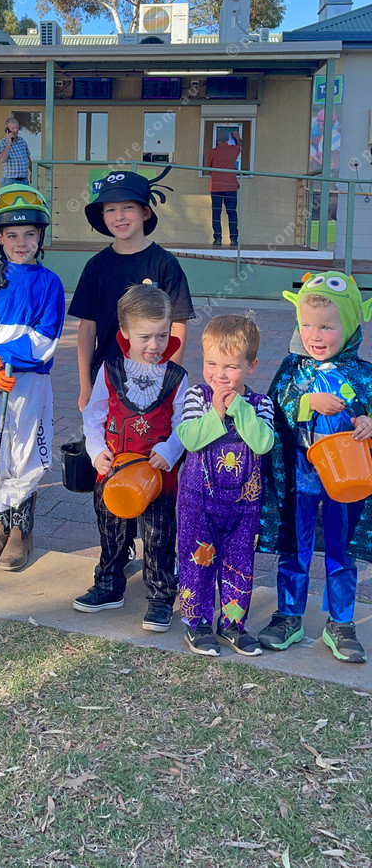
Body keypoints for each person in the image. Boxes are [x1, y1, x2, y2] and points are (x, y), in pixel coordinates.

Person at [68, 169, 194, 570]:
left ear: (145, 212)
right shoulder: (97, 266)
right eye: (110, 210)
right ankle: (118, 551)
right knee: (112, 465)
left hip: (155, 388)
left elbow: (178, 325)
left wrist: (166, 382)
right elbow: (86, 328)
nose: (119, 217)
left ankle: (159, 556)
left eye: (127, 208)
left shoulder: (164, 264)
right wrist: (85, 383)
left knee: (154, 470)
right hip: (111, 389)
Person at [258, 272, 372, 663]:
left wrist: (368, 422)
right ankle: (288, 615)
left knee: (342, 548)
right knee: (295, 545)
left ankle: (340, 621)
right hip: (301, 477)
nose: (315, 336)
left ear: (350, 325)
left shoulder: (364, 375)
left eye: (326, 327)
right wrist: (308, 403)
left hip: (349, 479)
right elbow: (274, 409)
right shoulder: (293, 370)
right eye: (306, 325)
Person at [75, 284, 188, 627]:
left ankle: (161, 595)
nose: (154, 345)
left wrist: (170, 450)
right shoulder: (109, 371)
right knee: (111, 531)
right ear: (124, 332)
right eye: (145, 337)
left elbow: (185, 422)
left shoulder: (176, 377)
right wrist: (97, 451)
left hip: (157, 476)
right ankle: (109, 585)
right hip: (113, 470)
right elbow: (94, 415)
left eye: (162, 335)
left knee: (158, 535)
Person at [0, 184, 65, 570]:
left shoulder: (50, 283)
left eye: (29, 234)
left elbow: (45, 339)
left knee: (24, 452)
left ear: (40, 237)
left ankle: (21, 533)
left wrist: (3, 357)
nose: (21, 242)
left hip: (29, 383)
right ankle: (0, 526)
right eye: (11, 235)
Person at [176, 314, 274, 657]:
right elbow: (189, 439)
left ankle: (232, 623)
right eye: (211, 364)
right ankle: (198, 622)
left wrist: (240, 410)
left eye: (231, 367)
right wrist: (216, 414)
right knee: (197, 563)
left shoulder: (261, 405)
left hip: (243, 508)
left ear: (251, 366)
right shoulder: (197, 396)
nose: (219, 374)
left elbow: (263, 443)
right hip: (198, 503)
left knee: (239, 566)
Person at [206, 130, 242, 247]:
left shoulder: (212, 152)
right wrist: (237, 137)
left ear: (217, 139)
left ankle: (217, 239)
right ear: (227, 139)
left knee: (216, 213)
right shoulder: (233, 149)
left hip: (216, 186)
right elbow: (241, 147)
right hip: (231, 186)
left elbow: (209, 168)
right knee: (232, 213)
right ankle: (234, 239)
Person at [0, 117, 32, 187]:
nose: (15, 130)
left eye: (17, 128)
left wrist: (32, 172)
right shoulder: (2, 143)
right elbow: (2, 159)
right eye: (13, 128)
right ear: (7, 130)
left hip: (24, 180)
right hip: (10, 180)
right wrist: (8, 143)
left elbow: (27, 158)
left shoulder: (22, 141)